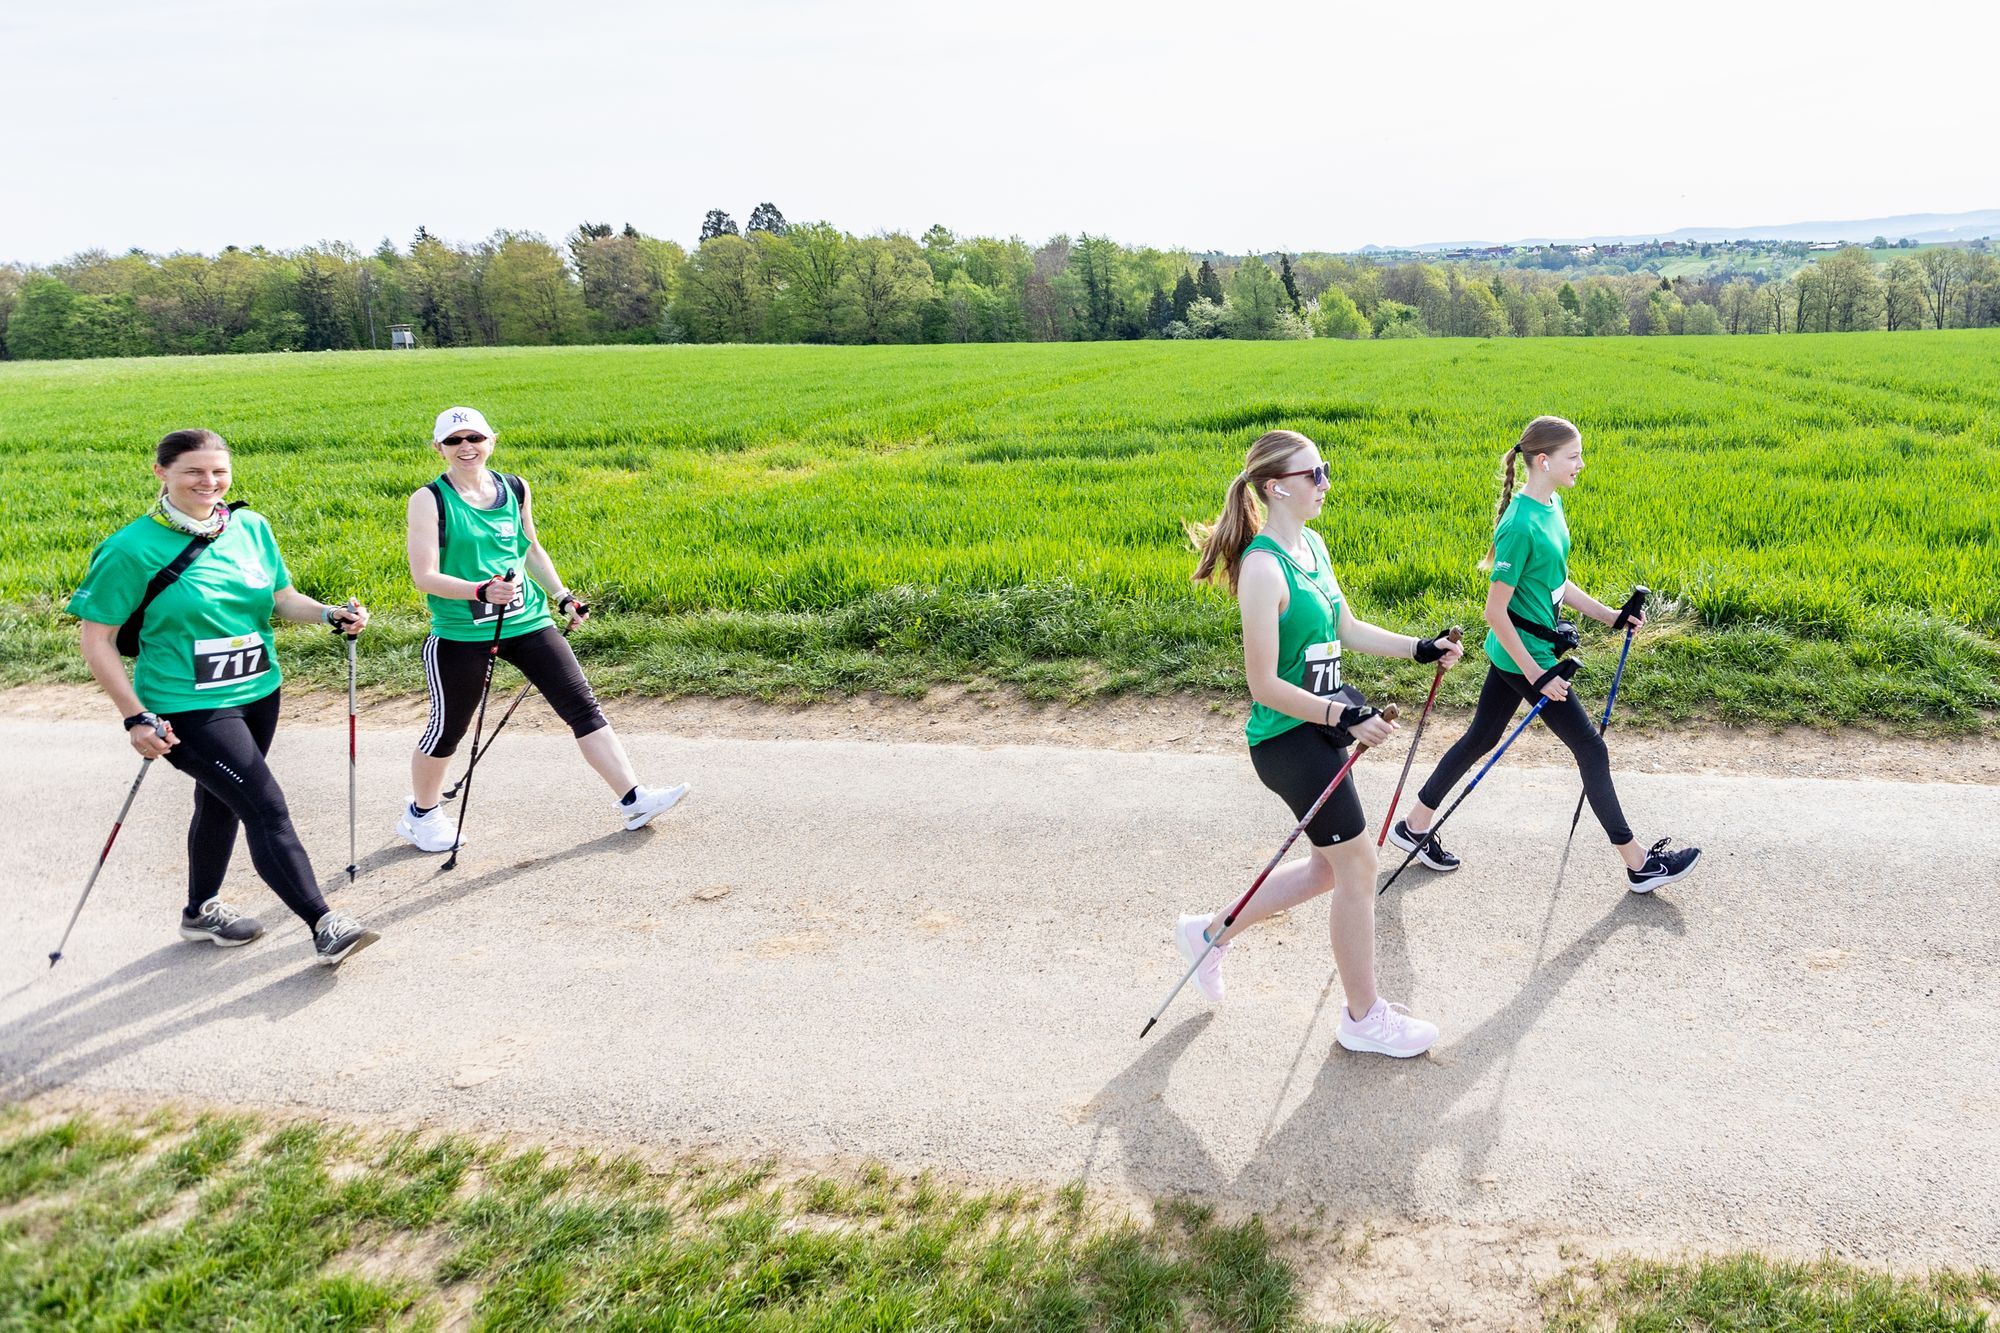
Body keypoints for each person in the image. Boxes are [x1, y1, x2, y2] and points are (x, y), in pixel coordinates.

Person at [1185, 429, 1464, 1058]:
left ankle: (1208, 934)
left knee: (1326, 868)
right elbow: (1264, 686)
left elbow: (1345, 628)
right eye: (1315, 474)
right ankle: (1363, 1018)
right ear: (1277, 486)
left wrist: (1420, 648)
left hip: (1323, 727)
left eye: (1326, 470)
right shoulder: (1262, 568)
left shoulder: (1311, 544)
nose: (1326, 484)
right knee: (1359, 866)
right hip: (1289, 741)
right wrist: (1342, 716)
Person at [70, 428, 380, 967]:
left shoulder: (250, 527)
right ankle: (323, 922)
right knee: (265, 805)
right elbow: (96, 641)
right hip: (184, 703)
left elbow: (281, 598)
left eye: (218, 471)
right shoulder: (129, 548)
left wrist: (330, 613)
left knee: (222, 800)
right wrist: (134, 717)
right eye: (194, 471)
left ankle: (199, 912)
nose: (208, 482)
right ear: (161, 472)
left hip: (259, 688)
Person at [1386, 414, 1701, 892]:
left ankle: (1413, 826)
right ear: (1543, 460)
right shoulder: (1519, 524)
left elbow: (1556, 583)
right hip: (1524, 656)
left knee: (1480, 739)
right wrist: (1537, 675)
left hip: (1526, 653)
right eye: (1573, 456)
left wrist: (1610, 615)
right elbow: (1495, 612)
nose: (1581, 464)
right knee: (1591, 749)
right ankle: (1639, 864)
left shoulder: (1551, 504)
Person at [395, 406, 688, 852]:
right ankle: (422, 814)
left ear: (492, 440)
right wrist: (478, 589)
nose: (466, 447)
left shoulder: (514, 487)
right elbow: (424, 576)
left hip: (527, 620)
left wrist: (562, 595)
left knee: (582, 706)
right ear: (439, 449)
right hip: (460, 632)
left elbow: (530, 549)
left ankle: (634, 800)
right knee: (449, 728)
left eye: (474, 437)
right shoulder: (429, 500)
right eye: (454, 441)